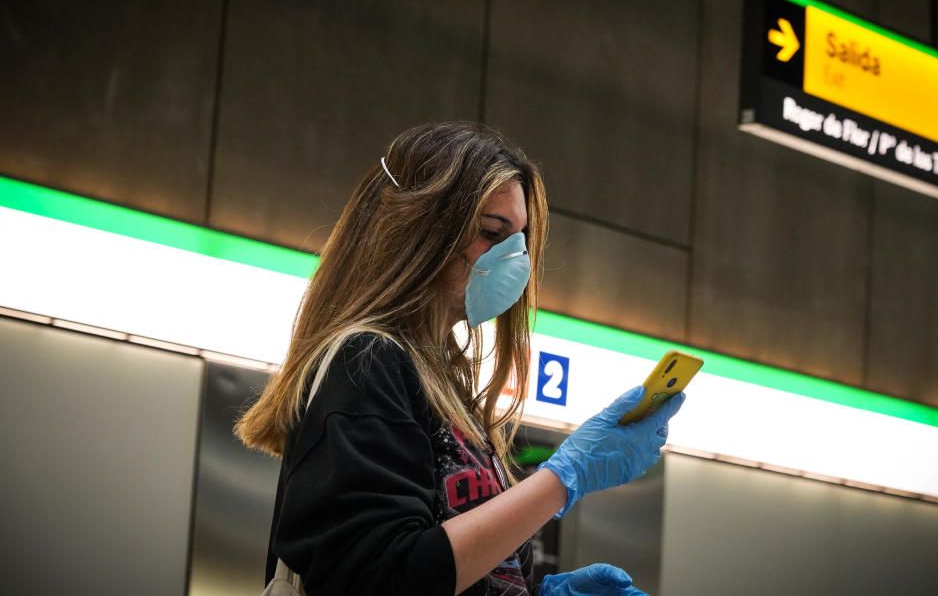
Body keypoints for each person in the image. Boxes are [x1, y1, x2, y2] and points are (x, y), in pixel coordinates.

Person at [234, 121, 686, 595]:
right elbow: (384, 579)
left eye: (520, 240)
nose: (515, 257)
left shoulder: (447, 391)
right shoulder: (366, 360)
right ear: (419, 229)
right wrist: (562, 478)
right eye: (493, 232)